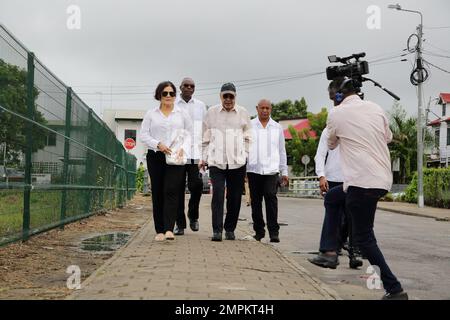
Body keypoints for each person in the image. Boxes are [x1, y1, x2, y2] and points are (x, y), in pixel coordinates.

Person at [326, 77, 408, 300]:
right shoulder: (375, 108)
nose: (333, 101)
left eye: (333, 97)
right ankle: (330, 250)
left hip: (362, 183)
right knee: (333, 198)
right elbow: (388, 137)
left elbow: (331, 144)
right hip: (379, 180)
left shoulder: (336, 113)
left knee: (364, 238)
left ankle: (394, 289)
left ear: (339, 96)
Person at [139, 81, 192, 242]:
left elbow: (189, 133)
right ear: (159, 95)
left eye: (171, 93)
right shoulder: (151, 114)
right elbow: (143, 135)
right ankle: (159, 230)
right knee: (158, 192)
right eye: (165, 93)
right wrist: (158, 144)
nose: (168, 96)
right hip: (156, 156)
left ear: (175, 96)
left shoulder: (182, 113)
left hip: (175, 157)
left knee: (171, 190)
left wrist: (184, 148)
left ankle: (169, 228)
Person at [199, 83, 252, 241]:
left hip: (237, 163)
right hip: (217, 162)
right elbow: (204, 138)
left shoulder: (243, 113)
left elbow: (248, 137)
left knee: (235, 197)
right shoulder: (212, 113)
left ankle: (230, 229)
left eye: (231, 96)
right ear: (220, 96)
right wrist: (205, 157)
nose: (228, 99)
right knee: (218, 195)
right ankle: (217, 230)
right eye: (225, 96)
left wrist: (245, 154)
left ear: (235, 97)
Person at [308, 79, 349, 269]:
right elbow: (320, 155)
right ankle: (334, 248)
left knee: (349, 217)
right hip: (333, 178)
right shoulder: (328, 129)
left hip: (352, 177)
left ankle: (342, 245)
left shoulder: (355, 126)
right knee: (335, 215)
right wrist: (321, 175)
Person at [246, 99, 288, 243]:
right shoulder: (249, 125)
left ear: (271, 109)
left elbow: (282, 151)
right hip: (253, 170)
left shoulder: (277, 127)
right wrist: (244, 170)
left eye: (267, 108)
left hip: (271, 171)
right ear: (257, 108)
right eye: (262, 108)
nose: (264, 110)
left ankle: (274, 232)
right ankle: (259, 231)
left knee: (271, 198)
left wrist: (285, 172)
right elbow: (244, 148)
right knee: (256, 202)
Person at [174, 77, 207, 235]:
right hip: (178, 154)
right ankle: (179, 224)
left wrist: (206, 153)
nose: (188, 88)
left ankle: (193, 216)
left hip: (195, 154)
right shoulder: (173, 104)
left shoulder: (200, 106)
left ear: (194, 89)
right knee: (178, 188)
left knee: (197, 185)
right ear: (180, 87)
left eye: (192, 86)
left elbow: (206, 130)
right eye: (185, 85)